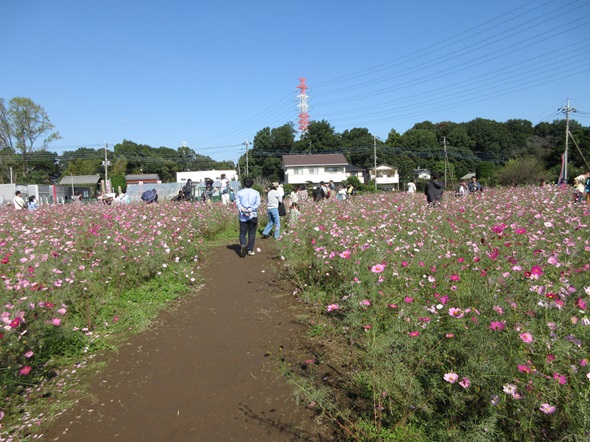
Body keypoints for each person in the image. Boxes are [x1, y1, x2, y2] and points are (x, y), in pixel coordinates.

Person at [236, 177, 261, 257]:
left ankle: (243, 244)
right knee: (252, 233)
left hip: (243, 215)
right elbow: (257, 203)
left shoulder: (239, 192)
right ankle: (250, 250)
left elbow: (238, 203)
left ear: (244, 183)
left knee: (243, 232)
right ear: (252, 183)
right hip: (253, 215)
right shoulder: (256, 192)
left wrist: (243, 210)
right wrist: (250, 209)